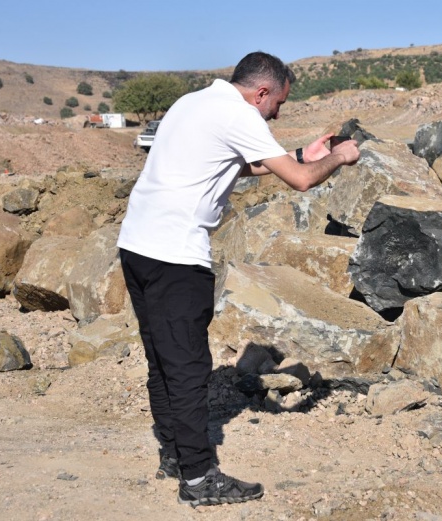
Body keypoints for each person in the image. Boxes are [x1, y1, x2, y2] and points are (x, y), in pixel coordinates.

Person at [116, 51, 360, 508]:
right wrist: (339, 157)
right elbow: (303, 183)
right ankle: (199, 480)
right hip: (174, 255)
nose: (277, 114)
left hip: (137, 245)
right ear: (261, 92)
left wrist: (305, 153)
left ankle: (174, 454)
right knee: (188, 370)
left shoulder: (193, 102)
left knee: (162, 361)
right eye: (277, 105)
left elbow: (240, 164)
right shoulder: (239, 113)